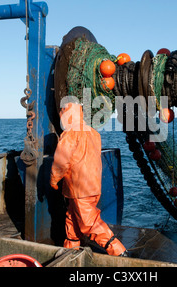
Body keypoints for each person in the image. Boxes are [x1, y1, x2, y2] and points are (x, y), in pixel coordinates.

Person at [50, 102, 128, 257]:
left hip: (79, 188)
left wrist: (54, 180)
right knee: (72, 218)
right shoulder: (93, 133)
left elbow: (61, 162)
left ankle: (117, 250)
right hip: (92, 185)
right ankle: (70, 248)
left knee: (89, 223)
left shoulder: (69, 134)